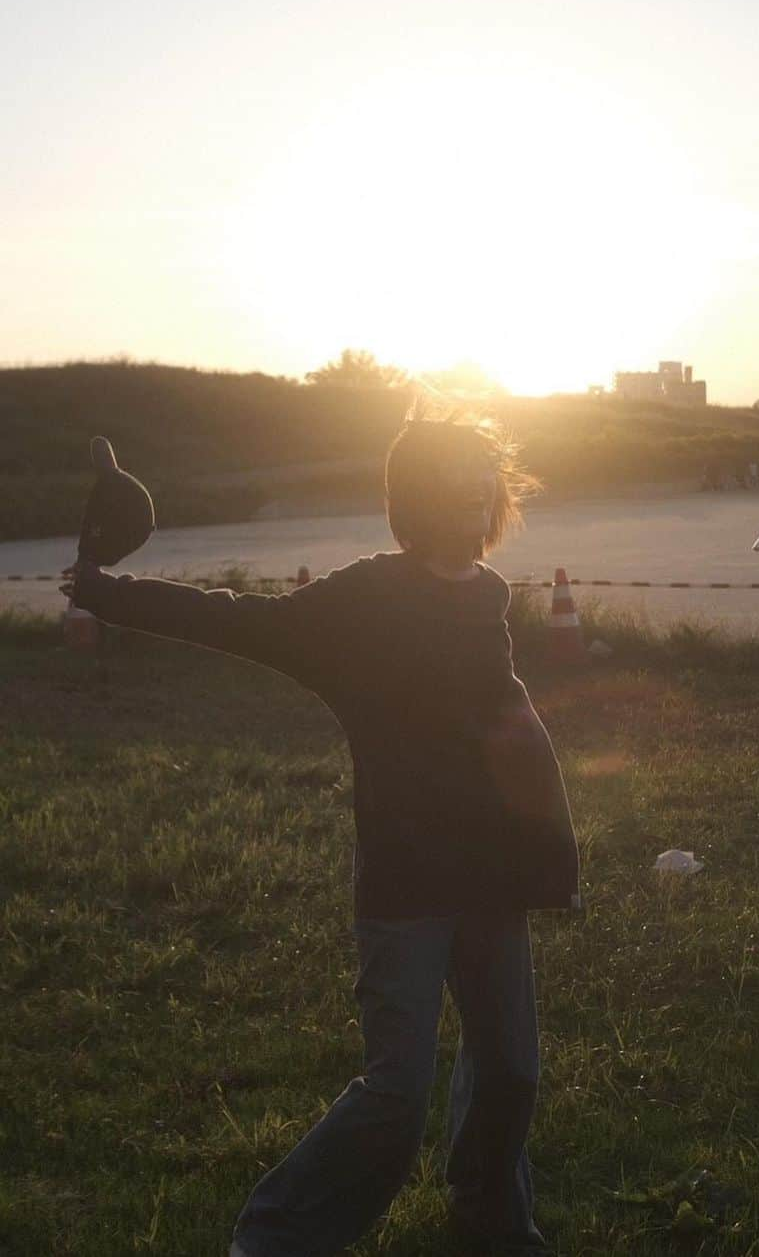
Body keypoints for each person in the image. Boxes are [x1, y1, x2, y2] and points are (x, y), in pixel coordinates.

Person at [63, 410, 579, 1257]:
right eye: (456, 475)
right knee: (396, 1097)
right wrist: (108, 592)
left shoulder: (486, 594)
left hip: (493, 878)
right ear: (417, 494)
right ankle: (273, 1236)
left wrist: (549, 851)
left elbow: (507, 721)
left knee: (511, 1072)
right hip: (407, 883)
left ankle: (491, 1219)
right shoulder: (364, 600)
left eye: (484, 477)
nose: (476, 492)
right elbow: (236, 618)